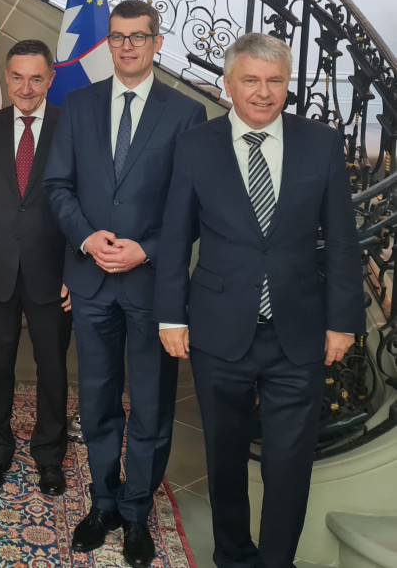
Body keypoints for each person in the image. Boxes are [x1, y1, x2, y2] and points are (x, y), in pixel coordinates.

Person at [155, 32, 364, 568]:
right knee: (224, 459)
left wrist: (344, 322)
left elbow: (342, 239)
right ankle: (232, 556)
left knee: (289, 464)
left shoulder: (320, 143)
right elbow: (177, 238)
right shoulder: (195, 145)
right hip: (217, 330)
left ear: (287, 85)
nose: (263, 93)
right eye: (251, 80)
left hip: (299, 332)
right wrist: (171, 315)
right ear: (228, 85)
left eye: (275, 82)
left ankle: (276, 562)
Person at [43, 0, 206, 568]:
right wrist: (88, 240)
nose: (128, 46)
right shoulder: (78, 105)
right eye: (118, 37)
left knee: (153, 406)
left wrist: (148, 250)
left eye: (139, 37)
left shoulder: (186, 114)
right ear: (107, 43)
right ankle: (104, 502)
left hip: (151, 286)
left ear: (157, 42)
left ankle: (137, 511)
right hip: (90, 281)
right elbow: (58, 187)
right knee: (97, 400)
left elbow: (190, 204)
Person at [0, 39, 72, 496]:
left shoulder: (70, 127)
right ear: (7, 78)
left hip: (54, 272)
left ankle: (49, 458)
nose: (26, 87)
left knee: (52, 370)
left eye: (36, 77)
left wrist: (75, 271)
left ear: (51, 79)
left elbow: (80, 205)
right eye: (18, 77)